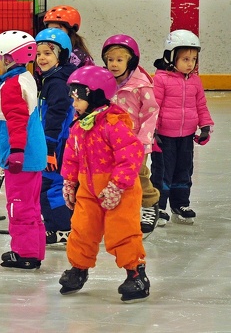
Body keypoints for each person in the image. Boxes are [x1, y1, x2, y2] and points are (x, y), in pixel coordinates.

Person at [59, 65, 149, 303]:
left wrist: (117, 185)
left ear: (95, 96)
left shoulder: (113, 123)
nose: (74, 103)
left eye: (78, 98)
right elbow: (71, 155)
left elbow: (131, 155)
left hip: (119, 190)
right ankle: (78, 269)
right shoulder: (79, 125)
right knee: (82, 229)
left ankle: (136, 273)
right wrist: (70, 181)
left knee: (122, 230)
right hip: (88, 188)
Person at [0, 30, 45, 269]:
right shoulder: (26, 77)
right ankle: (33, 249)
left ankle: (25, 254)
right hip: (33, 156)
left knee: (19, 205)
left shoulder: (12, 86)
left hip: (22, 158)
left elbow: (16, 120)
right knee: (31, 205)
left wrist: (16, 151)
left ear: (8, 58)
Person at [151, 29, 214, 226]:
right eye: (185, 59)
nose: (190, 64)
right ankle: (158, 207)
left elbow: (201, 105)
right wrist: (152, 132)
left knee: (184, 172)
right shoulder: (161, 79)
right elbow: (154, 107)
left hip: (186, 137)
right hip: (164, 137)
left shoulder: (195, 80)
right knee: (162, 173)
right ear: (171, 57)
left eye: (193, 59)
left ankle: (180, 205)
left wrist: (205, 127)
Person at [101, 34, 160, 236]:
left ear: (131, 61)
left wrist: (144, 140)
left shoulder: (141, 85)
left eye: (120, 60)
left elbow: (151, 113)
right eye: (110, 59)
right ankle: (119, 211)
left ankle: (149, 204)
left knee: (138, 175)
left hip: (135, 142)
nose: (114, 64)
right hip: (109, 141)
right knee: (113, 176)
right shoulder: (103, 82)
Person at [34, 28, 76, 245]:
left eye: (48, 53)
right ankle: (61, 224)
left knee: (50, 186)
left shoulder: (57, 83)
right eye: (38, 53)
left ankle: (61, 228)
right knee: (53, 184)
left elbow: (57, 116)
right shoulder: (52, 78)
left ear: (61, 56)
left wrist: (49, 147)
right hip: (54, 142)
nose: (41, 58)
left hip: (57, 144)